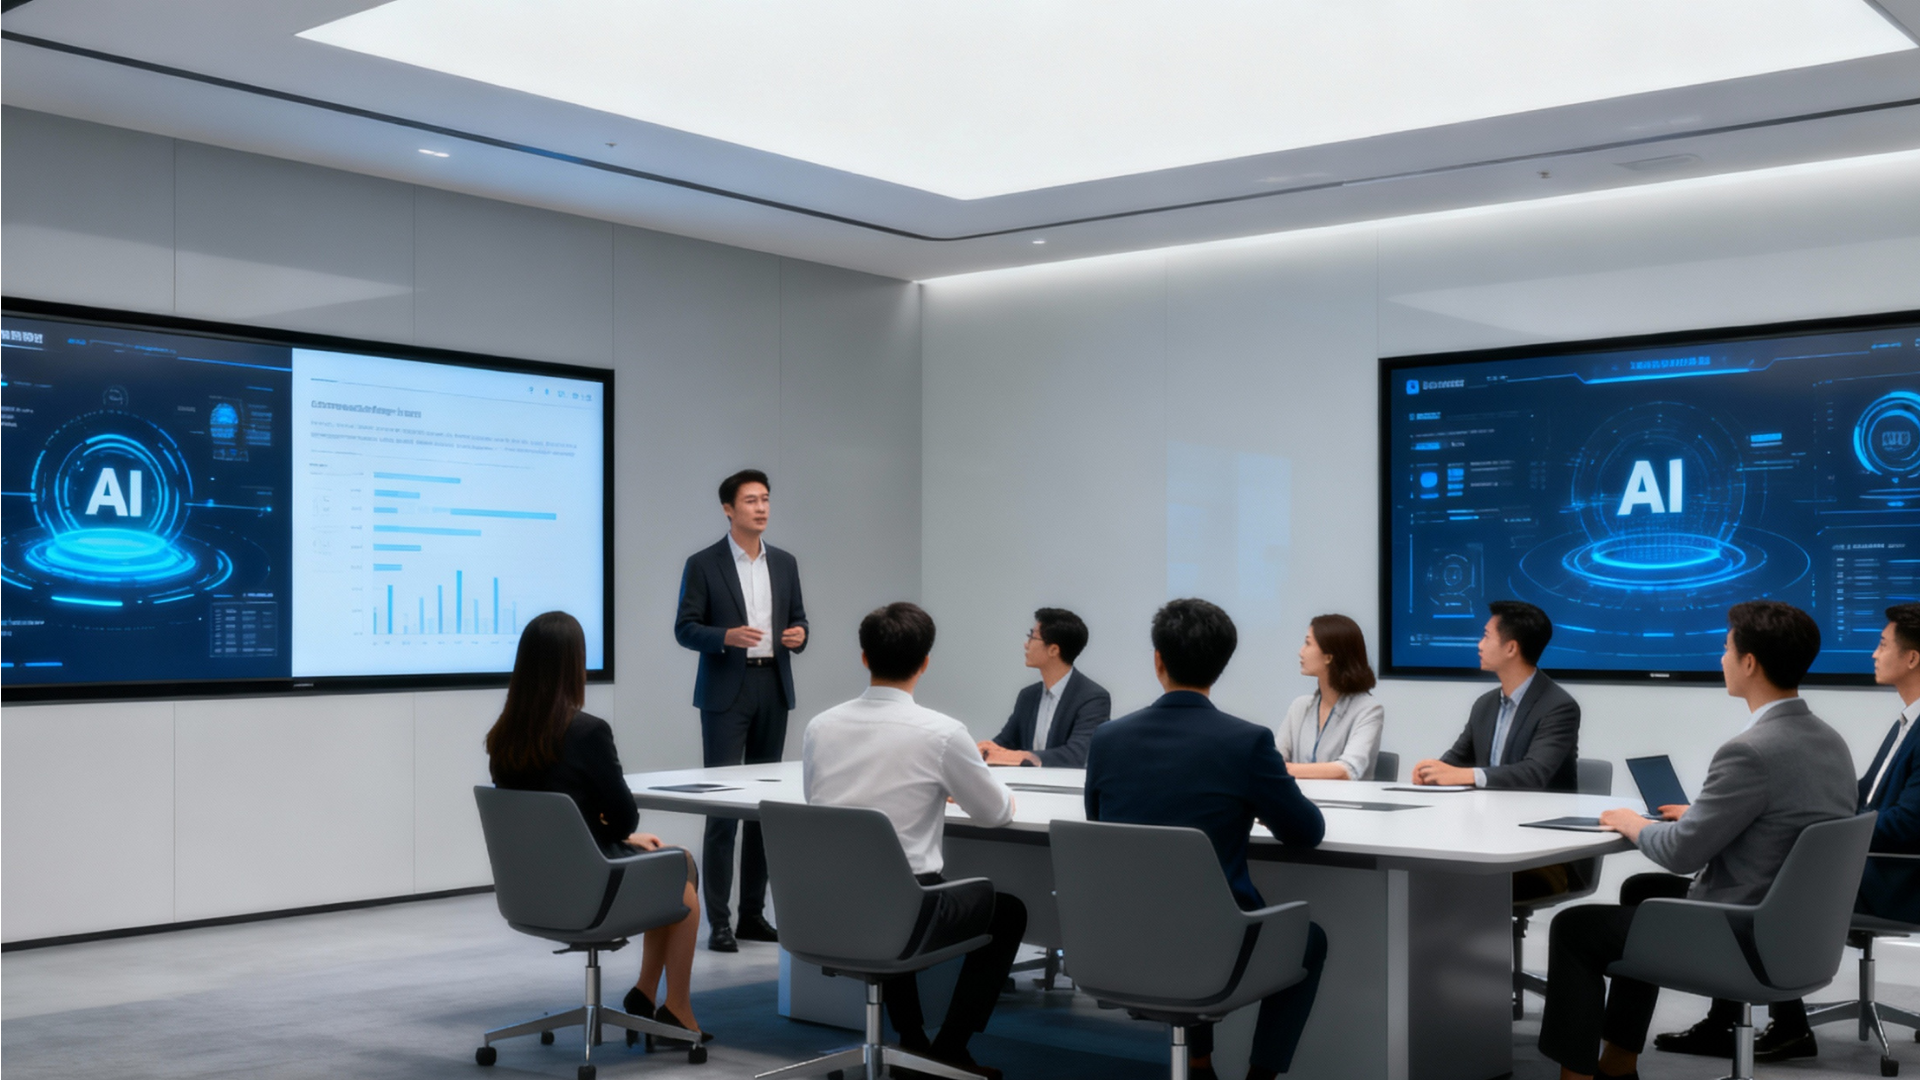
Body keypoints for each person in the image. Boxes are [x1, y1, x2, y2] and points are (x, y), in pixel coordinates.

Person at [1536, 600, 1858, 1080]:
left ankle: (1578, 1076)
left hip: (1738, 931)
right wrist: (1704, 815)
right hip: (1796, 929)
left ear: (1750, 662)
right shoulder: (1829, 739)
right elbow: (1782, 820)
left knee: (1575, 928)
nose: (1720, 657)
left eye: (1726, 647)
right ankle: (1618, 1062)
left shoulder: (1749, 750)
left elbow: (1680, 853)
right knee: (1641, 892)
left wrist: (1630, 821)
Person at [1649, 601, 1920, 1064]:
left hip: (1891, 877)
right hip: (1859, 864)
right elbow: (1860, 798)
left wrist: (1822, 831)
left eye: (1881, 644)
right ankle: (1766, 1024)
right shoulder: (1906, 723)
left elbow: (1909, 826)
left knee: (1761, 864)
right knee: (1766, 852)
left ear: (1912, 658)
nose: (1873, 654)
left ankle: (1740, 1023)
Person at [1084, 599, 1329, 1080]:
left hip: (1118, 942)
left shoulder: (1108, 739)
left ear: (1158, 660)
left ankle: (1199, 1063)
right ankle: (1259, 1076)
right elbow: (1305, 832)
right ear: (1222, 665)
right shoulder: (1245, 742)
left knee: (1182, 908)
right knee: (1308, 939)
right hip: (1215, 950)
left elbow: (1098, 825)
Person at [802, 602, 1027, 1080]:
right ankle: (947, 1050)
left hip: (825, 906)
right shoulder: (942, 733)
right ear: (925, 663)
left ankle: (911, 1039)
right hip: (904, 911)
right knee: (1005, 911)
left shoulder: (819, 727)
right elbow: (994, 813)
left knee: (892, 886)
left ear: (864, 658)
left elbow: (822, 810)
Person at [487, 611, 708, 1042]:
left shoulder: (503, 738)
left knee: (671, 861)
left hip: (531, 891)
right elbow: (626, 816)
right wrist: (617, 832)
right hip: (587, 890)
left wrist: (612, 833)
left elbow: (553, 820)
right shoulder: (587, 732)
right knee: (681, 875)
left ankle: (645, 994)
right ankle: (676, 1008)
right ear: (574, 665)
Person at [674, 469, 809, 952]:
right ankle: (721, 922)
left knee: (762, 810)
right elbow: (685, 629)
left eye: (766, 499)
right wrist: (725, 637)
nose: (762, 508)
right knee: (724, 808)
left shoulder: (786, 563)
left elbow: (797, 620)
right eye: (751, 500)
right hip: (726, 692)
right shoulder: (704, 564)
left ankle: (753, 914)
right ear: (728, 509)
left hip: (773, 684)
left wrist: (800, 635)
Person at [1412, 599, 1580, 792]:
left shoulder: (1559, 706)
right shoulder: (1485, 704)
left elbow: (1534, 773)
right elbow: (1456, 760)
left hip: (1540, 815)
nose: (1480, 645)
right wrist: (1431, 772)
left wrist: (1468, 775)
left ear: (1511, 648)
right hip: (1487, 811)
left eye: (1486, 636)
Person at [979, 607, 1112, 767]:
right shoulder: (1028, 695)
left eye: (1032, 637)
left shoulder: (1093, 698)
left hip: (1066, 789)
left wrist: (1020, 757)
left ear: (1053, 650)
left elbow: (1076, 754)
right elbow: (1005, 743)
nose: (1026, 644)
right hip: (1024, 785)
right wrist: (985, 750)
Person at [1272, 613, 1384, 780]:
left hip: (1345, 805)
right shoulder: (1300, 706)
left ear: (1329, 657)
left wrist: (1284, 769)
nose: (1301, 652)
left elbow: (1347, 770)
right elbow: (1274, 760)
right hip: (1298, 801)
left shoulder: (1368, 709)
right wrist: (1277, 768)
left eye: (1308, 643)